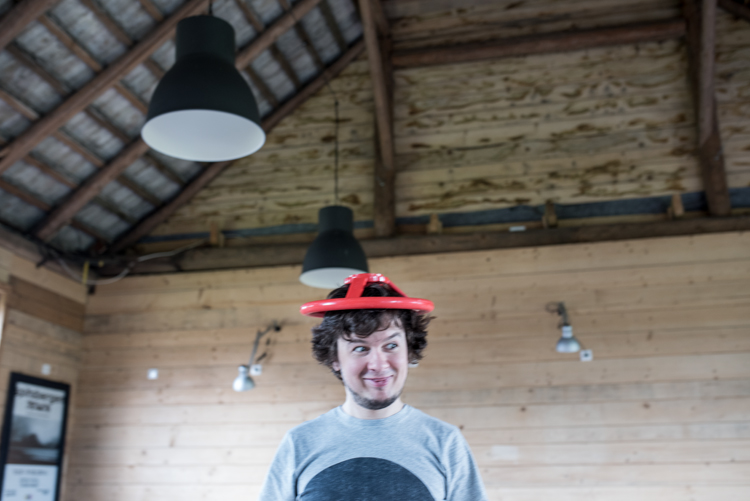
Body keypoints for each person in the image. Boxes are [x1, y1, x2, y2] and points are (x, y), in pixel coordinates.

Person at [258, 273, 488, 500]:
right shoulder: (300, 443)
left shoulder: (445, 442)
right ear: (335, 358)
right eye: (360, 348)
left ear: (409, 350)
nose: (379, 364)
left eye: (391, 345)